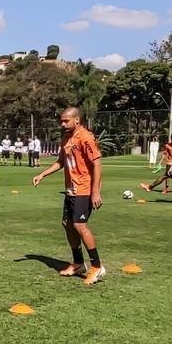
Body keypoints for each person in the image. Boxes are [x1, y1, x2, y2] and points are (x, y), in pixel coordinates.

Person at [32, 107, 106, 285]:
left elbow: (97, 164)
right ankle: (79, 263)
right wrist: (42, 174)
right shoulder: (66, 138)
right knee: (67, 224)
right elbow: (60, 162)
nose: (62, 124)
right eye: (61, 121)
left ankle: (97, 266)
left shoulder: (85, 137)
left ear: (77, 120)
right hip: (71, 189)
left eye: (66, 121)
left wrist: (95, 191)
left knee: (80, 225)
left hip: (84, 189)